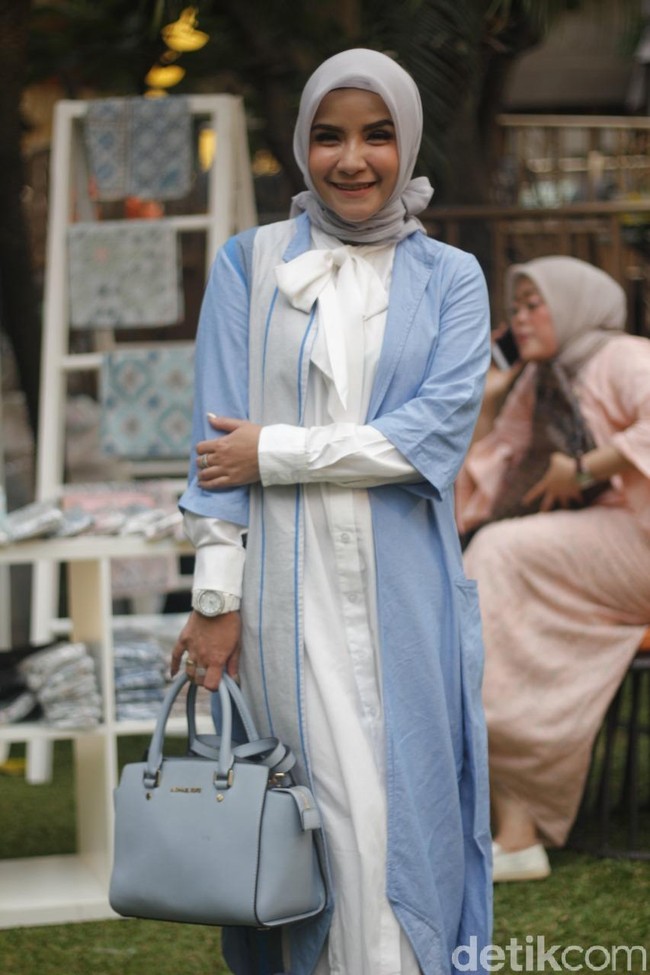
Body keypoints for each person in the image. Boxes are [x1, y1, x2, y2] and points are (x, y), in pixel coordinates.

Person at [171, 48, 492, 975]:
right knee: (314, 813)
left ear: (407, 143)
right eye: (330, 135)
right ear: (302, 144)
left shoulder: (454, 280)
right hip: (283, 600)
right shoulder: (249, 262)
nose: (353, 159)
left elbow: (426, 442)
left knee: (408, 809)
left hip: (406, 598)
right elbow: (212, 451)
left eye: (377, 135)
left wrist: (274, 449)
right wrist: (216, 603)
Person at [456, 256, 650, 882]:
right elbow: (480, 487)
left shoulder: (620, 357)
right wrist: (487, 403)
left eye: (535, 303)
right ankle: (517, 827)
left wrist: (590, 468)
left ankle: (515, 821)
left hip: (639, 542)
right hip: (604, 552)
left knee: (500, 553)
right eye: (515, 308)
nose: (520, 317)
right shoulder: (539, 382)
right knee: (488, 567)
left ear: (572, 303)